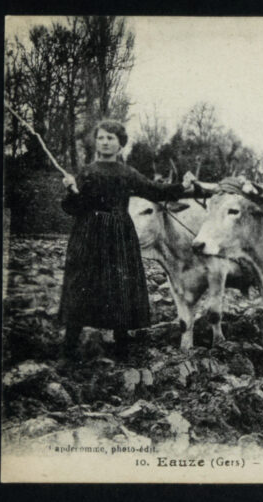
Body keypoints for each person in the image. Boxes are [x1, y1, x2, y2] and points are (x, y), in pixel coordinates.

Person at [58, 119, 199, 360]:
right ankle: (69, 348)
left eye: (110, 138)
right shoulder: (86, 173)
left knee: (120, 288)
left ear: (120, 145)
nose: (105, 142)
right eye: (101, 137)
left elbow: (156, 191)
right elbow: (72, 208)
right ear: (96, 142)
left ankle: (122, 348)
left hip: (118, 235)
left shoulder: (127, 173)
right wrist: (71, 189)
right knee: (80, 286)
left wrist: (182, 187)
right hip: (87, 235)